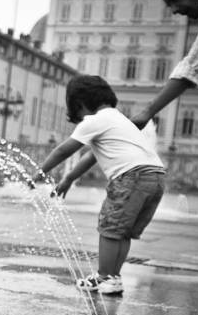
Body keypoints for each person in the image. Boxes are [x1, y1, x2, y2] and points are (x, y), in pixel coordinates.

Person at [70, 0, 198, 300]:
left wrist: (148, 110)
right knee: (121, 231)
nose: (175, 10)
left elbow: (193, 64)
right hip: (154, 176)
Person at [38, 75, 165, 295]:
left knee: (110, 228)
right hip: (156, 177)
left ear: (80, 104)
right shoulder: (120, 120)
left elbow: (63, 150)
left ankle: (104, 276)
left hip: (131, 176)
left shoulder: (93, 121)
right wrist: (69, 178)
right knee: (123, 232)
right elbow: (91, 156)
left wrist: (39, 173)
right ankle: (112, 278)